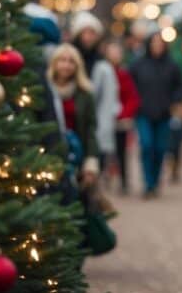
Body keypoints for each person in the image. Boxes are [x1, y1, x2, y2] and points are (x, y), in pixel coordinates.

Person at [129, 31, 182, 198]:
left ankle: (155, 180)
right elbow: (129, 87)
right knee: (147, 146)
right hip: (143, 113)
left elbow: (180, 86)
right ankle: (148, 183)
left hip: (164, 114)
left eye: (160, 43)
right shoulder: (138, 65)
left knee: (160, 149)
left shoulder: (171, 65)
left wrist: (174, 101)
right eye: (154, 43)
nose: (157, 46)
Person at [45, 43, 100, 198]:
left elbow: (90, 129)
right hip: (49, 152)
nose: (66, 65)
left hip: (76, 153)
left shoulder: (85, 93)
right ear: (54, 63)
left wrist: (91, 163)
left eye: (71, 61)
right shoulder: (45, 91)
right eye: (62, 60)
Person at [71, 11, 120, 174]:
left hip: (94, 132)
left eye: (92, 33)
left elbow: (108, 104)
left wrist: (102, 139)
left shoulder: (103, 68)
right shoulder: (68, 62)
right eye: (84, 32)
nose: (88, 37)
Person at [105, 40, 140, 195]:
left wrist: (125, 114)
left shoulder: (124, 74)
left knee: (121, 152)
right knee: (105, 151)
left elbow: (132, 97)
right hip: (104, 119)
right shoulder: (102, 72)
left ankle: (124, 181)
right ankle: (105, 178)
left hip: (120, 120)